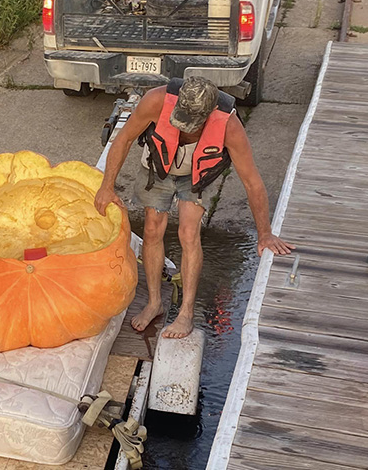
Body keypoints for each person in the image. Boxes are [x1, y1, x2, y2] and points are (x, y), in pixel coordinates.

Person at [94, 76, 295, 339]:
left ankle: (186, 313)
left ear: (210, 113)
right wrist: (107, 186)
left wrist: (265, 233)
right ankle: (154, 302)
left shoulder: (229, 126)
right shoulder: (156, 101)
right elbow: (123, 140)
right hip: (159, 166)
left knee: (188, 234)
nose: (185, 128)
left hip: (199, 175)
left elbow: (252, 182)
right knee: (153, 229)